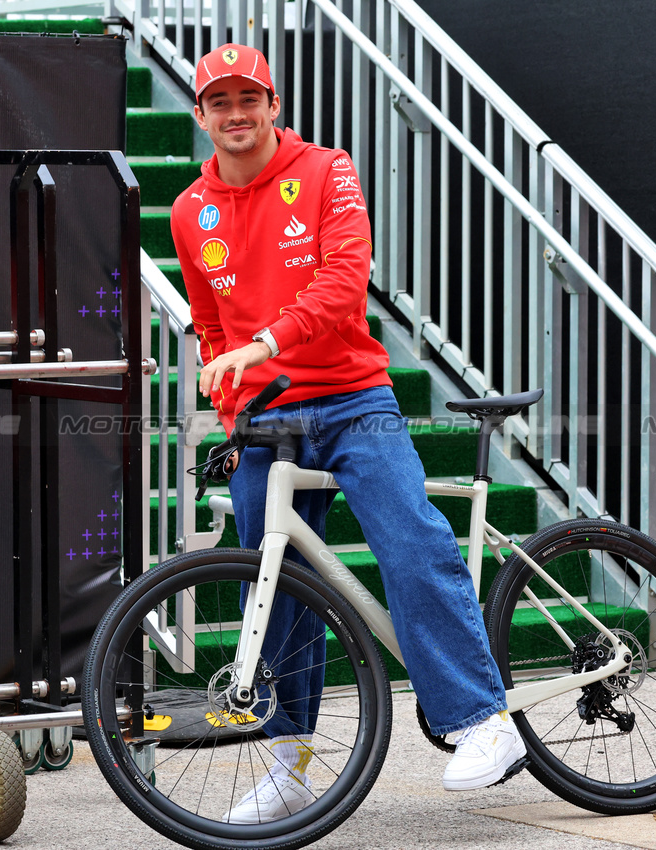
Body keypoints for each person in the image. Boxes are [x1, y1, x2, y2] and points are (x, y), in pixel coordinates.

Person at [170, 43, 525, 823]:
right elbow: (206, 322)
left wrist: (264, 344)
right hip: (266, 417)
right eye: (219, 101)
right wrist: (233, 403)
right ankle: (292, 761)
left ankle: (482, 721)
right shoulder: (188, 211)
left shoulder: (327, 171)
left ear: (273, 107)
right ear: (200, 117)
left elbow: (342, 280)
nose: (236, 114)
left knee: (408, 539)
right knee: (269, 578)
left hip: (352, 397)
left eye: (248, 98)